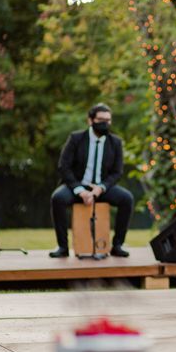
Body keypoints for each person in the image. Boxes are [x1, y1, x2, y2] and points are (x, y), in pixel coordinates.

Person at [49, 103, 134, 258]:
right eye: (101, 119)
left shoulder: (115, 143)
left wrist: (101, 188)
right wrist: (80, 190)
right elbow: (64, 167)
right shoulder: (76, 139)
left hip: (101, 187)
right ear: (90, 120)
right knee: (58, 199)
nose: (105, 123)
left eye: (108, 120)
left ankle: (117, 245)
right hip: (77, 185)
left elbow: (117, 172)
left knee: (127, 199)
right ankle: (63, 247)